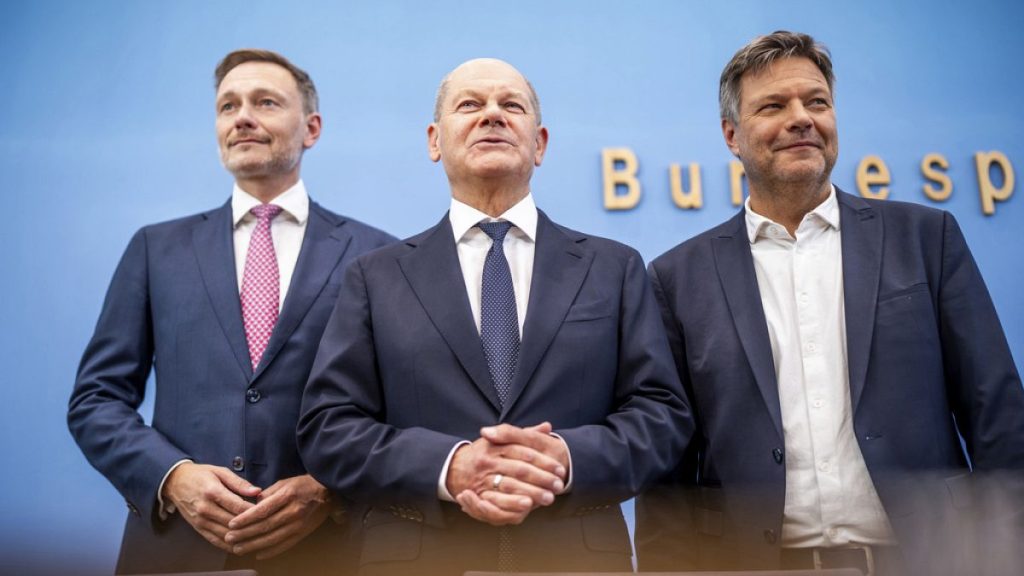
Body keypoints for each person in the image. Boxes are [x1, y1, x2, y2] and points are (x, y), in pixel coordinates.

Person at [636, 30, 1024, 576]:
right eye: (773, 106)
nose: (801, 118)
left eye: (816, 102)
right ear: (731, 135)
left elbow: (997, 413)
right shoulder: (676, 278)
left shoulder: (925, 238)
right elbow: (669, 472)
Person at [297, 58, 691, 576]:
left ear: (540, 143)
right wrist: (449, 465)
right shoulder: (375, 277)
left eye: (511, 105)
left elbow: (661, 415)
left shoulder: (613, 267)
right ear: (435, 141)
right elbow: (328, 428)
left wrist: (564, 458)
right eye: (470, 105)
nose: (492, 115)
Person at [68, 49, 395, 575]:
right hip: (177, 550)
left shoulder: (379, 256)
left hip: (329, 552)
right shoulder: (156, 249)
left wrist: (330, 490)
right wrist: (171, 476)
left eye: (265, 102)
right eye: (228, 106)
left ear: (311, 128)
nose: (242, 117)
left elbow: (402, 410)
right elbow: (96, 399)